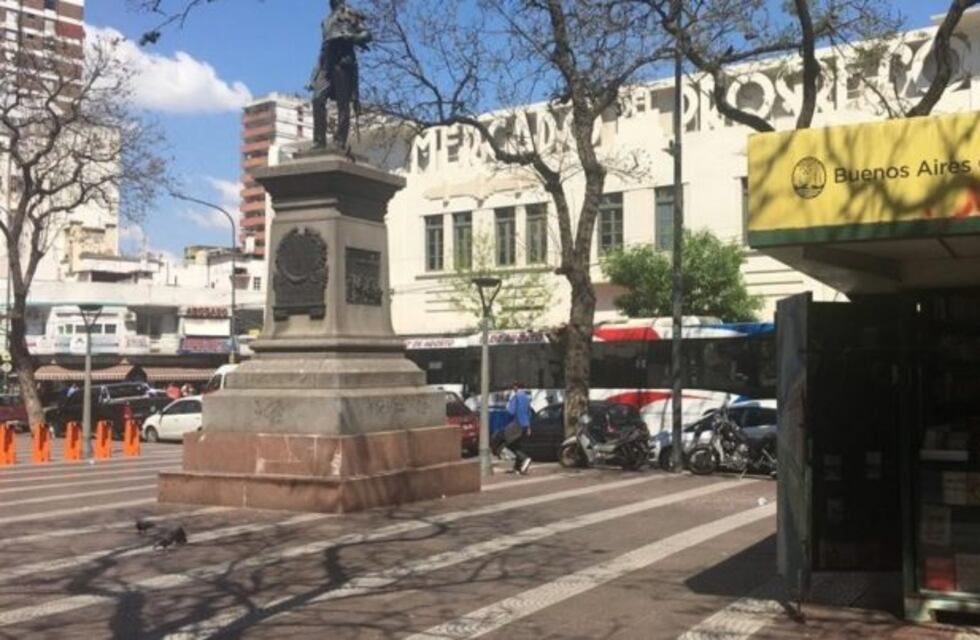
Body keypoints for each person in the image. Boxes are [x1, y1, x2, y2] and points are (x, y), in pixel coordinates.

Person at [308, 0, 372, 150]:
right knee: (317, 99)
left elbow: (367, 34)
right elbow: (323, 49)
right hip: (326, 65)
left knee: (343, 104)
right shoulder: (325, 21)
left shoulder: (350, 13)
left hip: (343, 62)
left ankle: (339, 140)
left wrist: (352, 37)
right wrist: (313, 75)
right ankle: (319, 141)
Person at [505, 382, 533, 475]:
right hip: (525, 424)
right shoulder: (526, 398)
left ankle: (525, 458)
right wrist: (529, 426)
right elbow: (529, 413)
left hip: (516, 424)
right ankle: (517, 468)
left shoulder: (516, 397)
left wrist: (508, 403)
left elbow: (510, 411)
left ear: (515, 387)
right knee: (518, 445)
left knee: (510, 444)